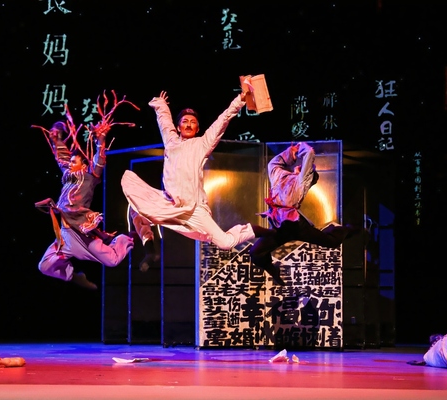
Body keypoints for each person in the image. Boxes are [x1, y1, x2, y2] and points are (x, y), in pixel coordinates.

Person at [121, 88, 275, 261]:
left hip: (194, 209)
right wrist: (162, 105)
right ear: (178, 127)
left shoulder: (202, 144)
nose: (188, 125)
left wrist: (240, 99)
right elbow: (164, 122)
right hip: (170, 203)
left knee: (225, 243)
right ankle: (149, 248)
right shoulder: (171, 142)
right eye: (184, 121)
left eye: (192, 122)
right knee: (136, 207)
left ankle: (261, 232)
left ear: (197, 128)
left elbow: (223, 120)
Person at [34, 94, 139, 288]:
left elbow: (99, 162)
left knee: (112, 260)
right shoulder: (68, 176)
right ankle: (73, 276)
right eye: (70, 162)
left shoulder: (89, 177)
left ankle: (125, 238)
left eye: (74, 162)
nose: (70, 164)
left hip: (82, 234)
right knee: (44, 266)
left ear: (83, 165)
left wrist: (101, 139)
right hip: (66, 235)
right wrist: (57, 137)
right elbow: (62, 157)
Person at [250, 142, 360, 286]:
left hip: (296, 226)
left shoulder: (300, 182)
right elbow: (281, 161)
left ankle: (345, 229)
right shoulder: (279, 175)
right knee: (255, 253)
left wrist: (298, 150)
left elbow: (304, 156)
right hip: (280, 226)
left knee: (332, 242)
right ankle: (273, 271)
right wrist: (294, 150)